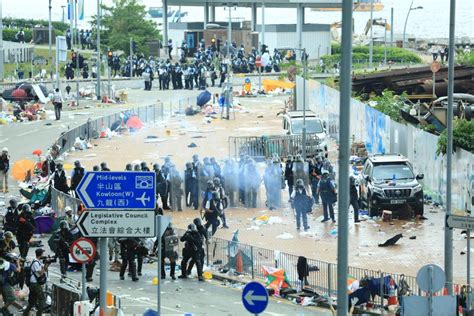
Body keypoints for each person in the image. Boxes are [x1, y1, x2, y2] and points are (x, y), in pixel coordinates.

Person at [23, 249, 49, 316]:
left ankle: (25, 314)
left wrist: (47, 264)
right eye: (42, 254)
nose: (43, 255)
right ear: (40, 254)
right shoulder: (35, 263)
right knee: (42, 299)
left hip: (34, 284)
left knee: (32, 301)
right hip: (34, 284)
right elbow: (40, 273)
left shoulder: (38, 262)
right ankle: (39, 314)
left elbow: (44, 269)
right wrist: (44, 266)